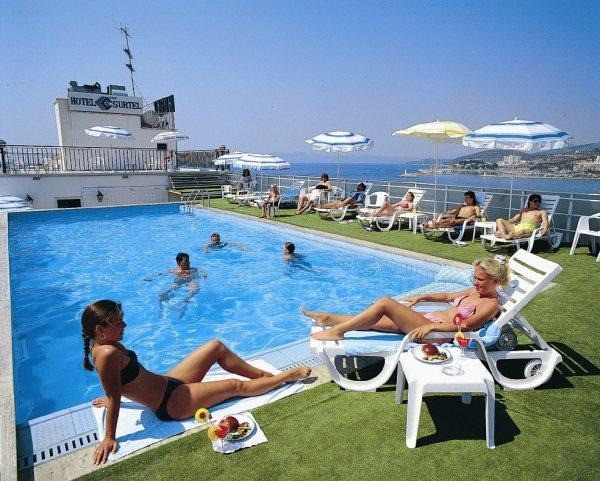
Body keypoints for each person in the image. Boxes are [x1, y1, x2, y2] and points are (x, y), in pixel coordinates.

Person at [82, 300, 311, 464]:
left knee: (215, 346)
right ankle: (288, 376)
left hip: (169, 382)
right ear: (100, 330)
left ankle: (262, 377)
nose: (124, 325)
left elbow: (120, 384)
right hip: (171, 403)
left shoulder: (106, 345)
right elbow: (115, 393)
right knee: (234, 386)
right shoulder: (106, 354)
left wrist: (114, 395)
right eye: (118, 322)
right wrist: (109, 436)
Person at [307, 257, 508, 342]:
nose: (475, 282)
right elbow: (447, 296)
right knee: (374, 320)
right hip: (427, 321)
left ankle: (338, 332)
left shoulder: (490, 305)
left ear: (496, 281)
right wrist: (421, 296)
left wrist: (432, 327)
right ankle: (329, 319)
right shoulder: (474, 292)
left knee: (385, 302)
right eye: (474, 278)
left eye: (480, 279)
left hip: (437, 333)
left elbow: (467, 326)